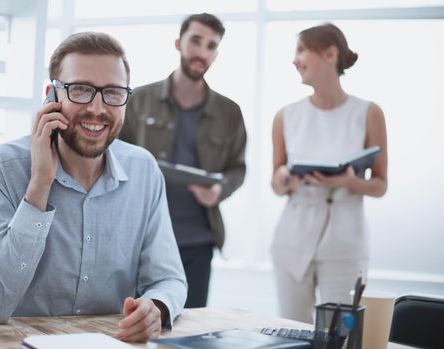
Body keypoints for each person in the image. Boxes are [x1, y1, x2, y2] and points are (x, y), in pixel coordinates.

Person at [0, 32, 187, 342]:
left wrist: (157, 307)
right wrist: (39, 186)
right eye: (80, 90)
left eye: (112, 92)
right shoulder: (0, 168)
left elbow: (169, 278)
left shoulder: (143, 170)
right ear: (51, 97)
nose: (97, 108)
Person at [119, 13, 246, 308]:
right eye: (196, 41)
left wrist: (220, 189)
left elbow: (238, 168)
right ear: (179, 43)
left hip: (198, 242)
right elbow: (115, 154)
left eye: (211, 46)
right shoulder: (139, 99)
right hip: (141, 236)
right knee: (136, 323)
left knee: (190, 330)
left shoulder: (230, 111)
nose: (202, 52)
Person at [270, 23, 388, 323]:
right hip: (293, 236)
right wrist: (285, 178)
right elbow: (276, 181)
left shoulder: (369, 112)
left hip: (345, 238)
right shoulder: (286, 115)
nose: (294, 60)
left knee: (341, 334)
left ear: (330, 54)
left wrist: (349, 182)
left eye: (301, 50)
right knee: (291, 330)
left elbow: (380, 184)